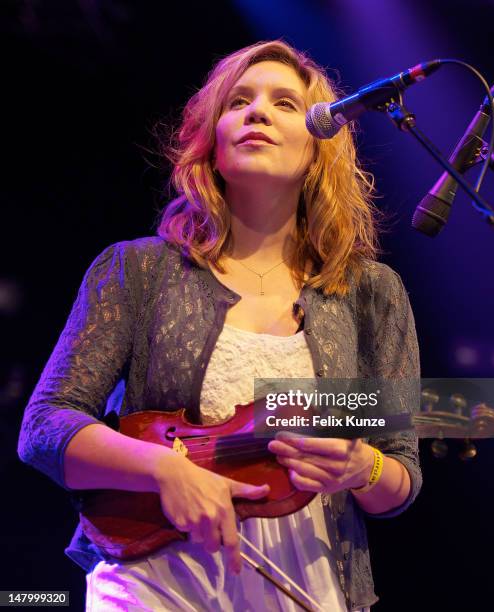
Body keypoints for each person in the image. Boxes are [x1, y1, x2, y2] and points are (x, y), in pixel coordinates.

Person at [17, 40, 422, 611]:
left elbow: (399, 473)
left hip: (305, 583)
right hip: (153, 579)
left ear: (320, 145)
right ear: (213, 137)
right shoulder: (138, 269)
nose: (257, 112)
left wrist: (364, 465)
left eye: (285, 103)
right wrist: (165, 469)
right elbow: (43, 427)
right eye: (239, 101)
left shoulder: (370, 292)